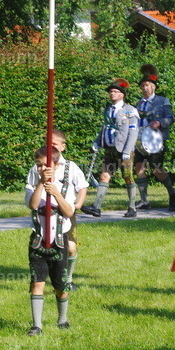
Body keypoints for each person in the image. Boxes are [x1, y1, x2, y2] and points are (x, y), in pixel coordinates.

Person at [25, 130, 88, 288]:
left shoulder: (70, 167)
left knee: (71, 247)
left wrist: (78, 203)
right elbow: (31, 188)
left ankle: (68, 277)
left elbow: (82, 186)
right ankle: (46, 274)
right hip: (44, 214)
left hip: (65, 211)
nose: (50, 146)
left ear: (62, 147)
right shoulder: (37, 168)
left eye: (53, 144)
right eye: (47, 143)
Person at [25, 146, 76, 335]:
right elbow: (32, 204)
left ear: (56, 165)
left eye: (46, 165)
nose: (41, 169)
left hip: (59, 241)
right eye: (38, 165)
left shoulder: (63, 186)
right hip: (38, 240)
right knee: (37, 282)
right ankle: (36, 324)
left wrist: (55, 193)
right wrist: (40, 183)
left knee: (60, 285)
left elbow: (69, 211)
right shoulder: (33, 183)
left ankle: (62, 318)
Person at [82, 79, 140, 218]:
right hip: (110, 148)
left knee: (127, 177)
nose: (112, 94)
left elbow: (133, 132)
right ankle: (96, 207)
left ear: (122, 94)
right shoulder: (108, 109)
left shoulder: (130, 110)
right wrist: (98, 142)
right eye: (111, 92)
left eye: (115, 91)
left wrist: (127, 151)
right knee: (104, 175)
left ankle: (132, 207)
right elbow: (105, 128)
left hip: (124, 150)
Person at [133, 64, 175, 211]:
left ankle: (173, 194)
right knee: (139, 168)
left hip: (156, 141)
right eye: (142, 86)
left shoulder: (163, 101)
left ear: (154, 86)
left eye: (147, 85)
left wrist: (159, 122)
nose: (144, 88)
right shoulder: (138, 103)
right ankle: (144, 201)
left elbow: (170, 118)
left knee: (157, 170)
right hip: (140, 141)